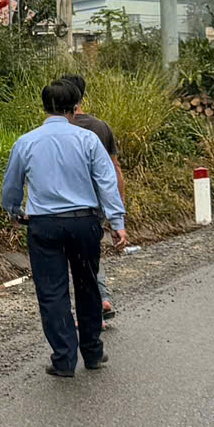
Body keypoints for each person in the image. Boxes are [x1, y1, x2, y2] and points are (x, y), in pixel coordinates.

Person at [0, 72, 128, 377]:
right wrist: (117, 221)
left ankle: (64, 360)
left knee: (52, 292)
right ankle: (93, 353)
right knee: (87, 286)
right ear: (75, 106)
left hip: (44, 227)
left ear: (44, 107)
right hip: (84, 223)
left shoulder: (26, 142)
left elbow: (11, 185)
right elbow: (106, 182)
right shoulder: (88, 139)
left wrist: (14, 211)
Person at [64, 76, 126, 323]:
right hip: (98, 202)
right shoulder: (101, 127)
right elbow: (114, 169)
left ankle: (91, 309)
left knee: (75, 260)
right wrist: (118, 212)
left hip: (68, 202)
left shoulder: (57, 130)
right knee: (90, 254)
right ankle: (101, 299)